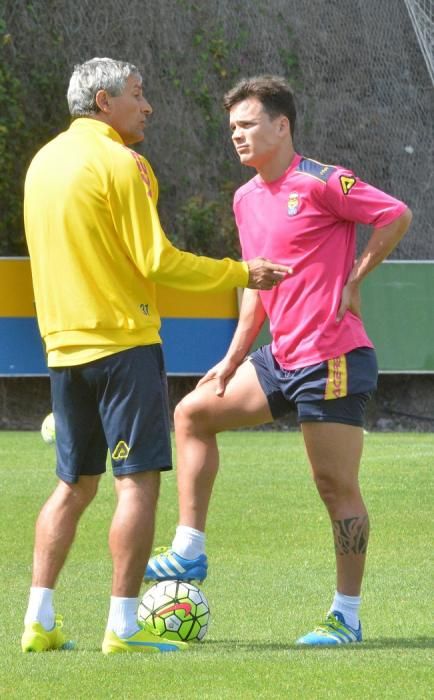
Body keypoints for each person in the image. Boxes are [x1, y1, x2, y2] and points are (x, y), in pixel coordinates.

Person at [21, 59, 290, 655]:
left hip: (62, 349)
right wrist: (243, 272)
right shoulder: (123, 162)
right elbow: (157, 261)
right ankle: (122, 628)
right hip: (123, 345)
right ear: (102, 101)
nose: (147, 107)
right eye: (137, 96)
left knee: (71, 486)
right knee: (136, 484)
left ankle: (37, 621)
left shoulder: (41, 163)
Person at [144, 75, 413, 646]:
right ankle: (189, 552)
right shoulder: (245, 198)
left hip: (333, 357)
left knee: (334, 485)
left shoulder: (321, 182)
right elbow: (257, 286)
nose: (236, 136)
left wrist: (355, 278)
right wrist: (232, 358)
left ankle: (347, 616)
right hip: (281, 356)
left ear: (281, 125)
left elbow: (395, 214)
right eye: (232, 128)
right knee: (192, 413)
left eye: (247, 124)